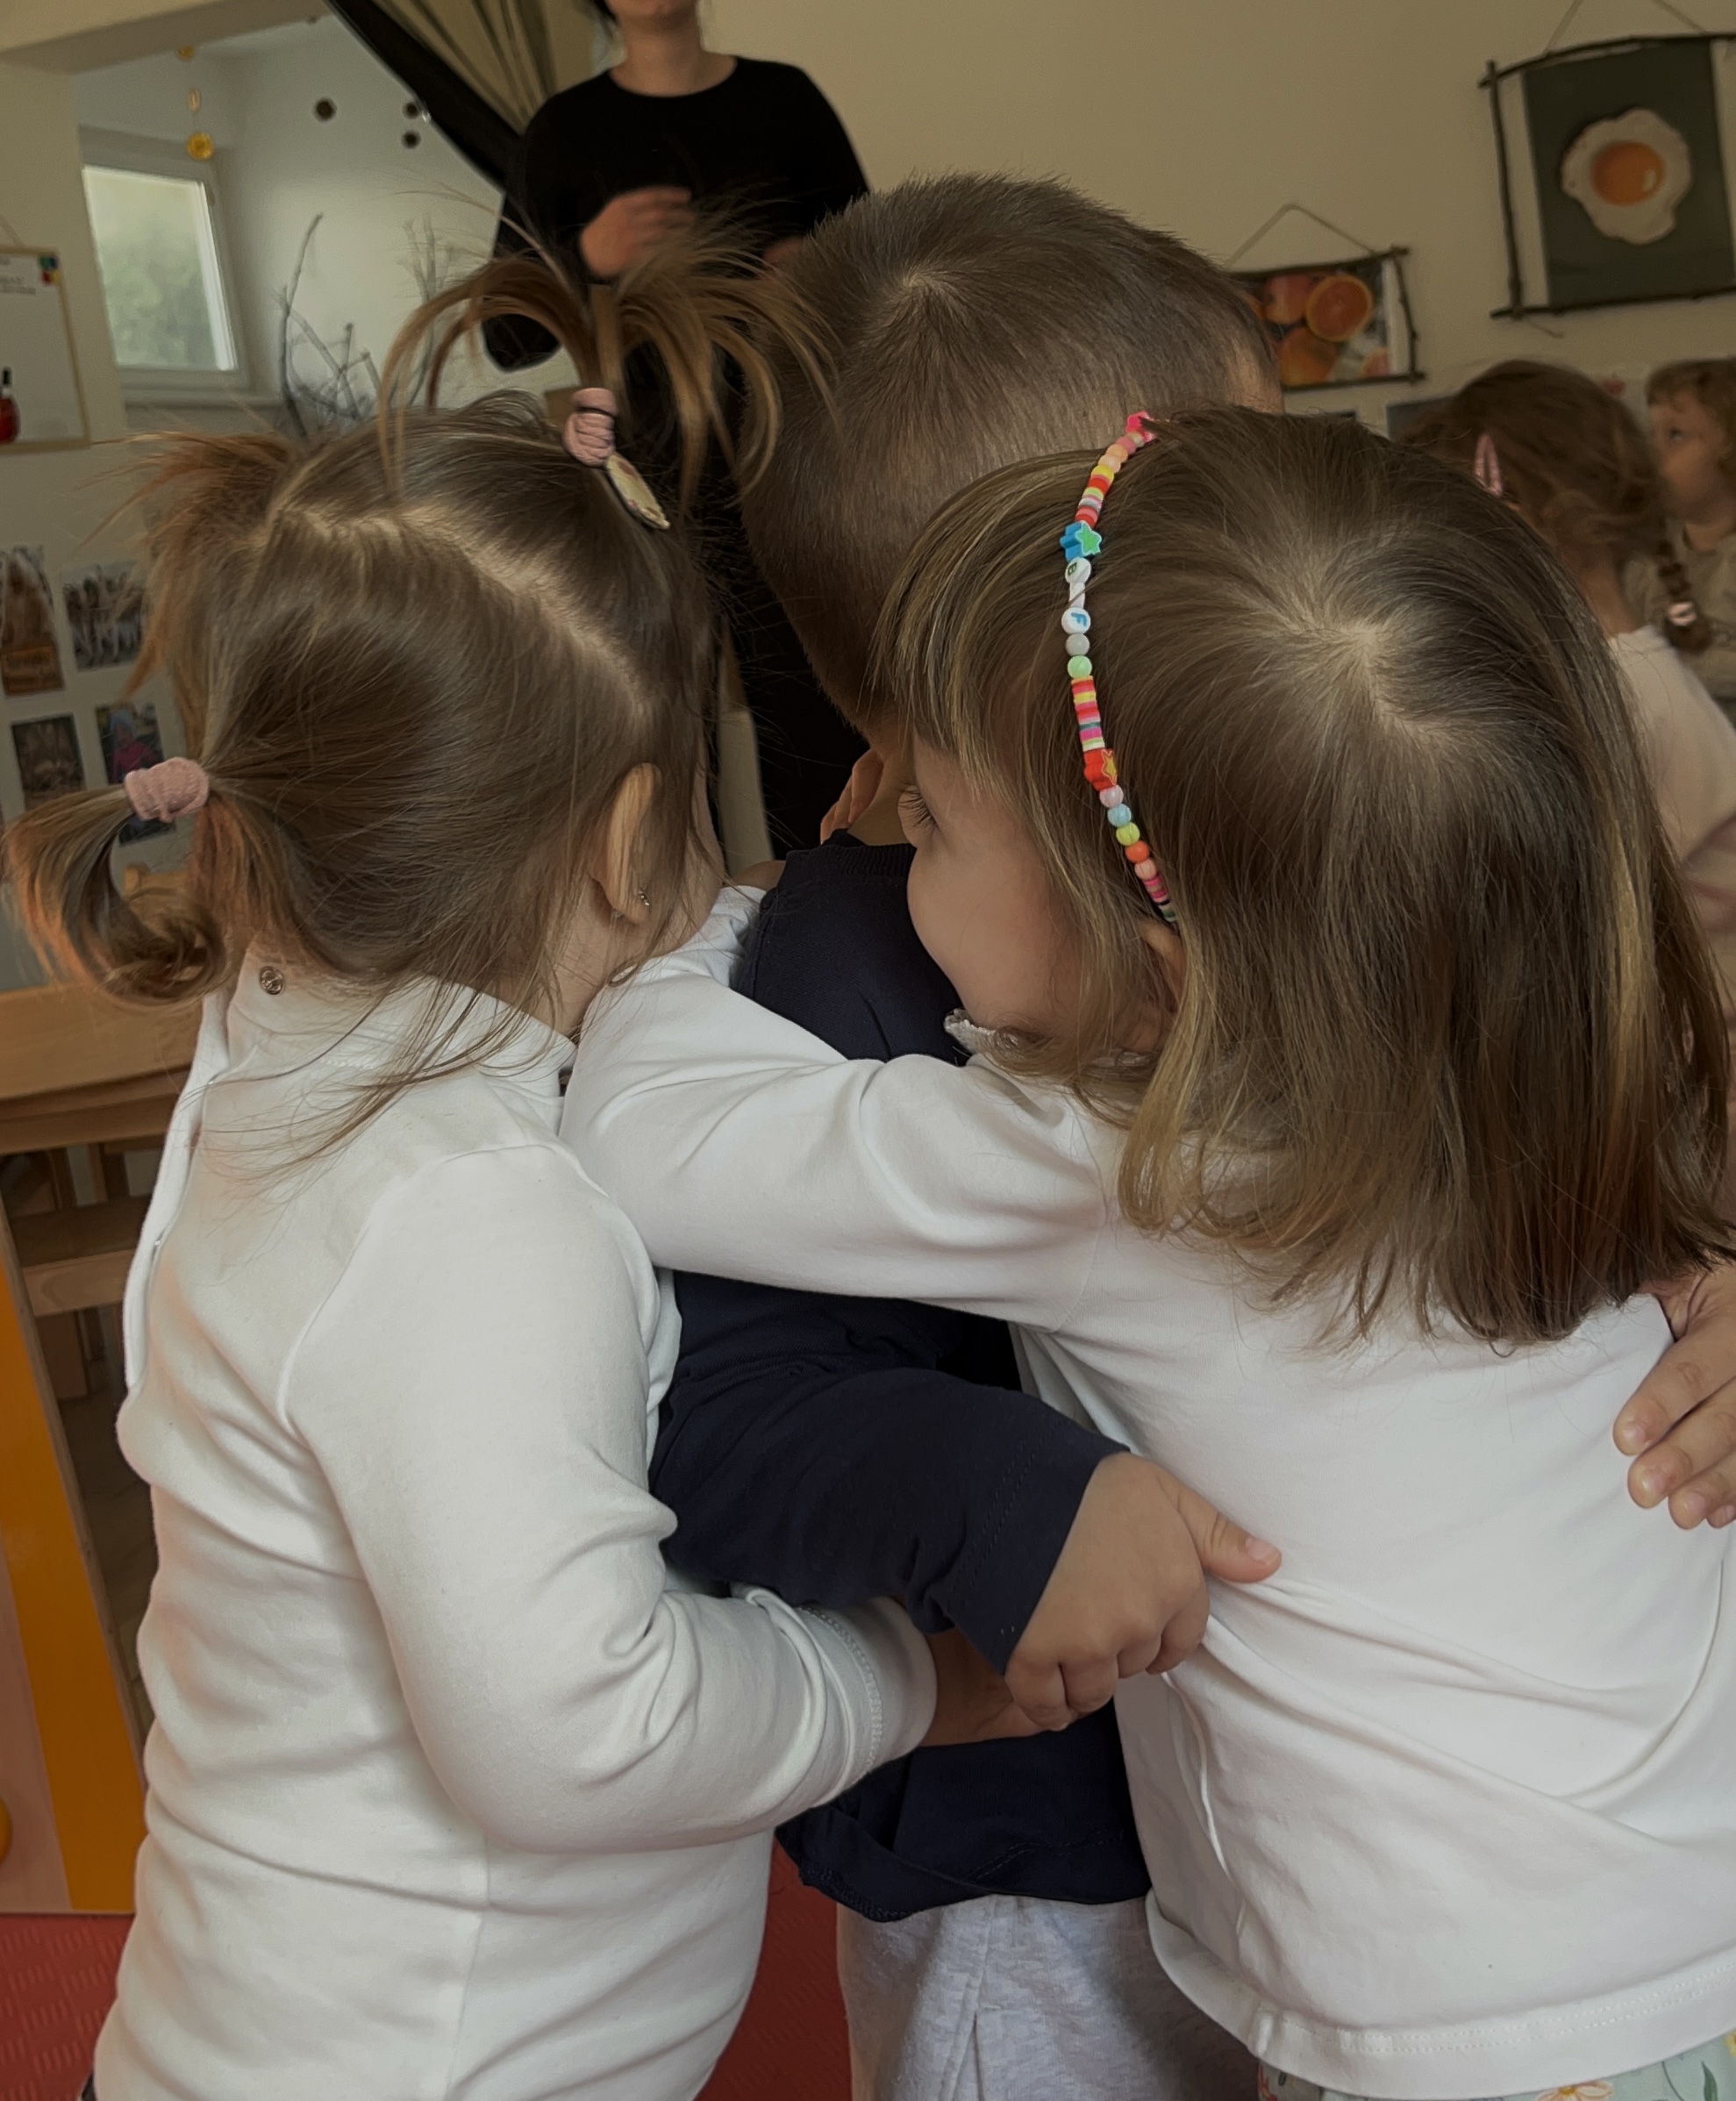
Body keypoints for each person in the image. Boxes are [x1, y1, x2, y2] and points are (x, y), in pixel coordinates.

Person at [565, 407, 1736, 2101]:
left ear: (1154, 971)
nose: (890, 847)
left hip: (1462, 2034)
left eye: (929, 827)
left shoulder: (1124, 1163)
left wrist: (738, 911)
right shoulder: (1557, 1072)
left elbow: (647, 1141)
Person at [0, 356, 1033, 2097]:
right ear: (633, 835)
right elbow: (581, 1732)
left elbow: (614, 961)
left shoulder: (273, 1059)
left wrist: (752, 908)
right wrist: (906, 1681)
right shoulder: (473, 1216)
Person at [649, 175, 1285, 2101]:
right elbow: (716, 1410)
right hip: (1037, 1874)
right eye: (1253, 494)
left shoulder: (1330, 848)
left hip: (1335, 1832)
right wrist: (999, 1494)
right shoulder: (833, 965)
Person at [484, 0, 870, 851]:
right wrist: (587, 256)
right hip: (645, 478)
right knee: (660, 716)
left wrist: (820, 267)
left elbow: (877, 270)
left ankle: (828, 904)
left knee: (812, 707)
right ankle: (682, 916)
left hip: (790, 457)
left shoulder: (784, 101)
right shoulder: (564, 130)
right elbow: (504, 334)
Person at [1404, 360, 1736, 1211]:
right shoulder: (1619, 679)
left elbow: (1552, 952)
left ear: (1523, 520)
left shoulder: (1616, 705)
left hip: (1688, 1125)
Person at [1627, 357, 1736, 710]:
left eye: (1675, 435)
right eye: (1652, 434)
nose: (1652, 452)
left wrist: (1668, 670)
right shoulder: (1642, 557)